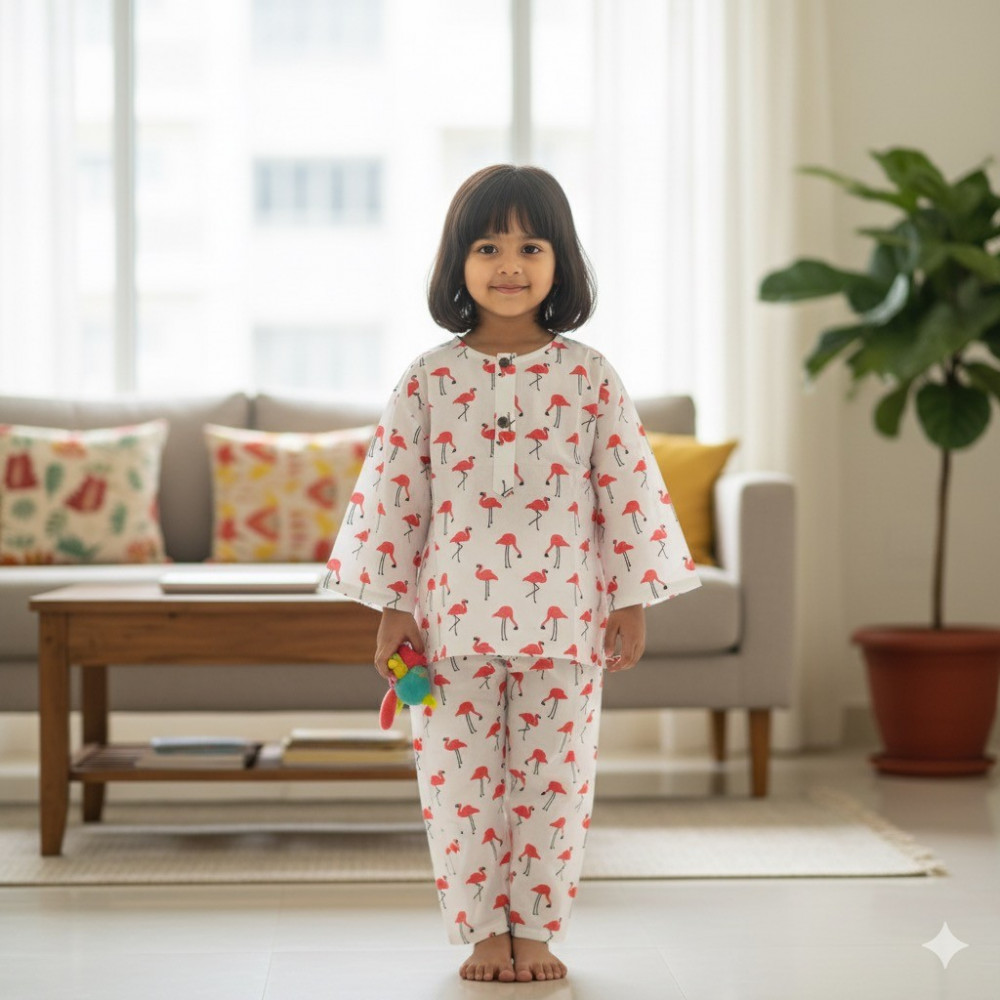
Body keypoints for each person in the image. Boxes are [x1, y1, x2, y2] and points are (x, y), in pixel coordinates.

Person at [322, 164, 701, 982]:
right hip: (450, 622)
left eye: (531, 245)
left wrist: (631, 600)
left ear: (560, 260)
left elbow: (627, 490)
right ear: (456, 261)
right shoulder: (428, 379)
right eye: (488, 245)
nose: (509, 264)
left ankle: (537, 927)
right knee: (457, 785)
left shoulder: (590, 377)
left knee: (554, 787)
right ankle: (481, 931)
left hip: (566, 623)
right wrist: (392, 609)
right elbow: (396, 498)